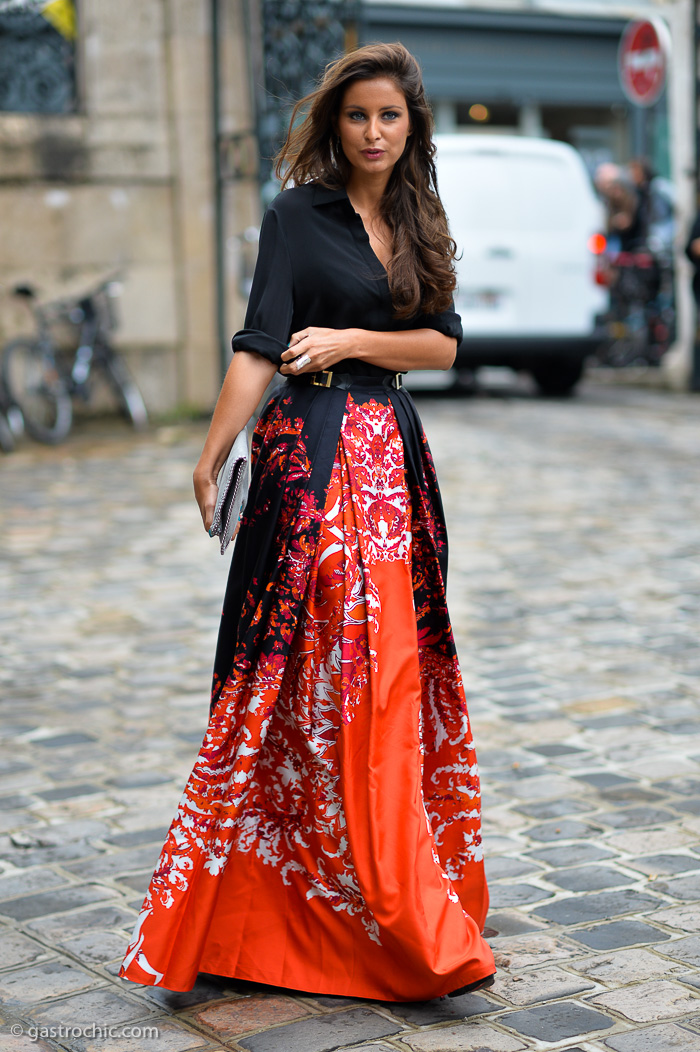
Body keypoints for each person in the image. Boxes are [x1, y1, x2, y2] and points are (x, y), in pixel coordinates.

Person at [119, 42, 495, 1002]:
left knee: (388, 674)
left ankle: (388, 891)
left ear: (411, 128)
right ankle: (269, 904)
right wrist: (208, 456)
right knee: (308, 675)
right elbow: (257, 346)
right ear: (335, 123)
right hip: (309, 469)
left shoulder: (419, 217)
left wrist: (354, 338)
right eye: (359, 115)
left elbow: (445, 345)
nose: (374, 132)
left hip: (392, 468)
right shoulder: (294, 216)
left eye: (391, 118)